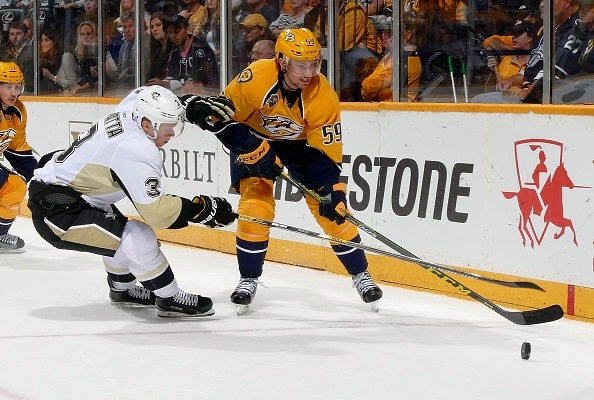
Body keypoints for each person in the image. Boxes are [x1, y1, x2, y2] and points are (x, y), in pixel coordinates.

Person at [182, 28, 383, 315]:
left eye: (314, 64)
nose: (308, 73)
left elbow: (326, 154)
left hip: (299, 146)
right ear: (281, 61)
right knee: (256, 205)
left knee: (331, 210)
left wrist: (333, 190)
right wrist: (250, 148)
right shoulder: (256, 77)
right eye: (301, 65)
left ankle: (361, 274)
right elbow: (222, 118)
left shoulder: (323, 94)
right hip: (253, 138)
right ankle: (248, 278)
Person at [27, 86, 236, 317]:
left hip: (69, 197)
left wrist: (188, 106)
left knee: (115, 232)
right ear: (147, 125)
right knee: (137, 235)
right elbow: (157, 213)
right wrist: (201, 210)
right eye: (168, 128)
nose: (172, 134)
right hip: (58, 216)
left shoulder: (132, 110)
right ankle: (169, 298)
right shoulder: (137, 150)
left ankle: (122, 290)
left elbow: (144, 91)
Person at [0, 62, 37, 253]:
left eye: (17, 86)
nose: (13, 92)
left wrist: (40, 176)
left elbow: (18, 151)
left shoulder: (17, 110)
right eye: (7, 86)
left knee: (15, 186)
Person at [149, 15, 219, 95]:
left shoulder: (200, 49)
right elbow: (173, 77)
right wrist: (161, 84)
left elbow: (212, 81)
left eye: (177, 30)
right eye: (170, 32)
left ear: (188, 29)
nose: (173, 35)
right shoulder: (174, 52)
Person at [471, 20, 538, 103]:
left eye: (518, 33)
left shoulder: (538, 62)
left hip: (528, 102)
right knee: (478, 100)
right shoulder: (506, 61)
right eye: (513, 33)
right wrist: (492, 73)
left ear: (530, 37)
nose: (514, 37)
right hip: (506, 101)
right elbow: (488, 41)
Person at [361, 17, 422, 102]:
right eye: (383, 32)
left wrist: (367, 86)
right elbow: (369, 88)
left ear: (408, 35)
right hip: (385, 107)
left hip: (399, 108)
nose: (384, 36)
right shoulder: (389, 56)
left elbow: (370, 86)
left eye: (390, 33)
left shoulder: (407, 58)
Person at [147, 12, 174, 81]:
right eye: (152, 27)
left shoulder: (174, 47)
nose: (154, 29)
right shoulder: (155, 49)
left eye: (158, 25)